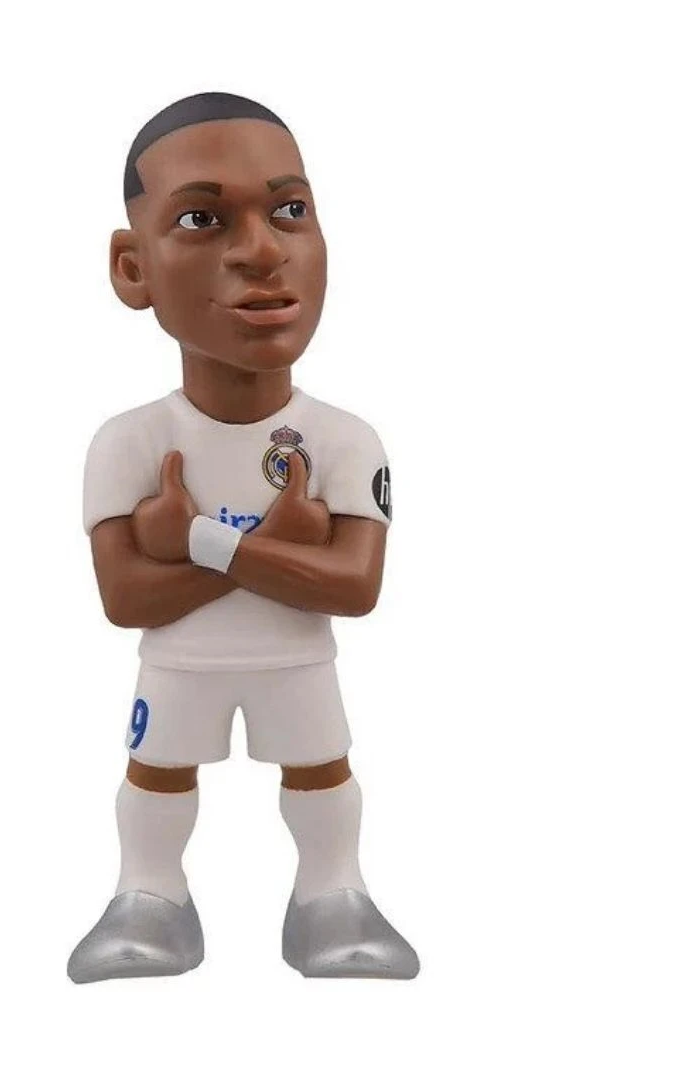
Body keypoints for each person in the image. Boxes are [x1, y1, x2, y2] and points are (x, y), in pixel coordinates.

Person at [67, 92, 418, 981]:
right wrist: (276, 547)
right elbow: (125, 599)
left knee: (322, 771)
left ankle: (332, 896)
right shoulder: (130, 444)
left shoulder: (345, 441)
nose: (262, 251)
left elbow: (355, 587)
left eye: (290, 210)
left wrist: (197, 541)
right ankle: (149, 896)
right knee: (157, 774)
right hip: (178, 665)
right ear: (133, 269)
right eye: (202, 219)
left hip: (297, 661)